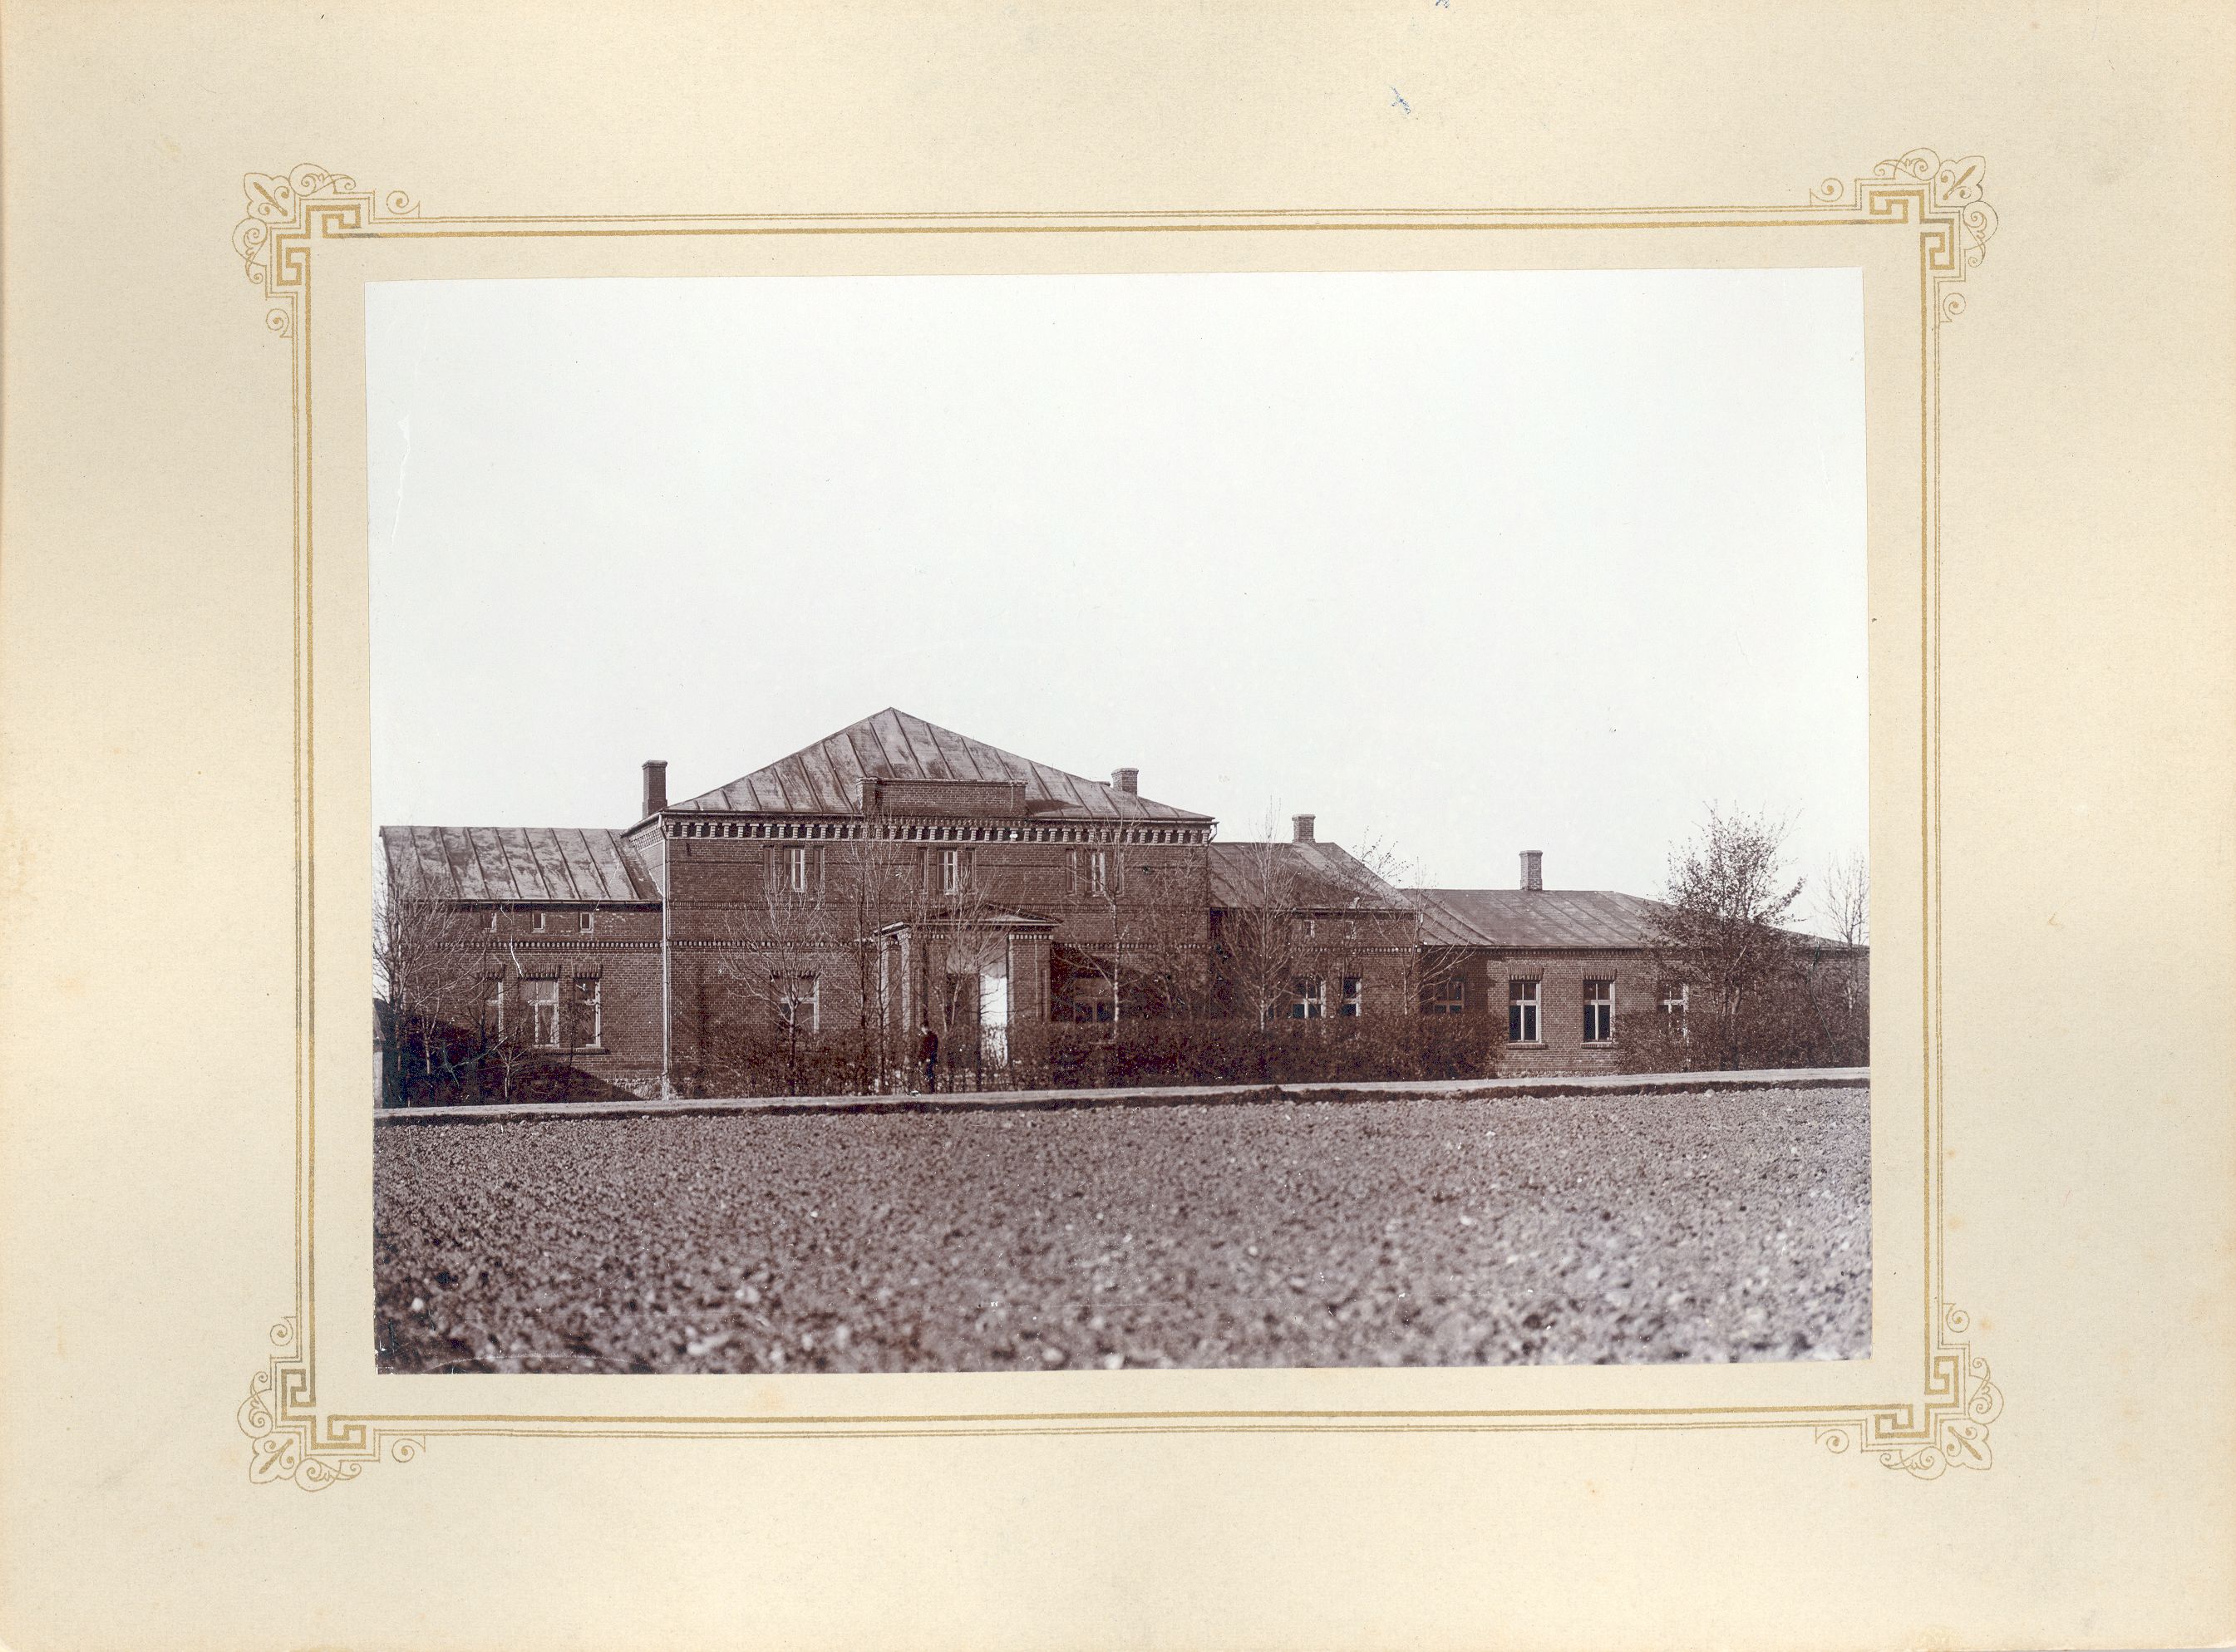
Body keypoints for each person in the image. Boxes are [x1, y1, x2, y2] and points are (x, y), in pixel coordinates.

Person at [916, 1021, 939, 1094]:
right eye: (923, 1028)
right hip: (923, 1059)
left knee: (927, 1072)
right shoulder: (922, 1037)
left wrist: (929, 1057)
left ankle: (930, 1089)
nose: (925, 1029)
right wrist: (919, 1059)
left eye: (926, 1027)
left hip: (930, 1058)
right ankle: (928, 1089)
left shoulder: (933, 1036)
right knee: (926, 1073)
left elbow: (933, 1048)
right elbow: (921, 1050)